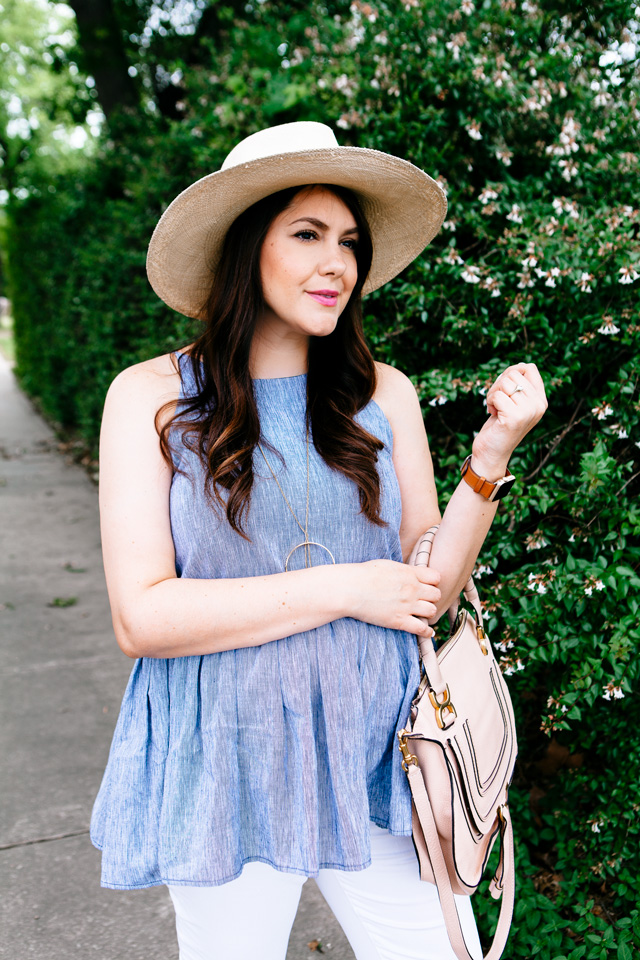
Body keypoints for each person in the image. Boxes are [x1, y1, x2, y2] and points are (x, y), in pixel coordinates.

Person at [90, 121, 547, 960]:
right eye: (306, 235)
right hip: (227, 761)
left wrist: (489, 460)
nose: (337, 262)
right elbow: (142, 618)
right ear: (243, 248)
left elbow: (429, 590)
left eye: (349, 242)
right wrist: (347, 588)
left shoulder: (384, 395)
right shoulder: (151, 400)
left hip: (379, 753)